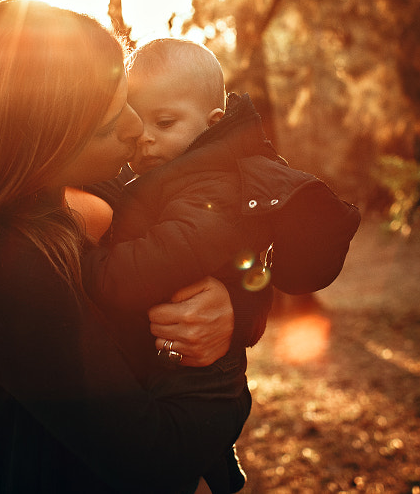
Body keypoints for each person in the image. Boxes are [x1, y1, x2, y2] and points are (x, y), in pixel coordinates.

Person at [0, 0, 268, 493]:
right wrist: (225, 366)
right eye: (107, 126)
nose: (135, 128)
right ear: (41, 146)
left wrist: (235, 309)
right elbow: (152, 462)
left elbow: (227, 247)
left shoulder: (108, 188)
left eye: (125, 98)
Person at [71, 39, 362, 492]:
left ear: (212, 123)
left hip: (200, 379)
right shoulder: (166, 177)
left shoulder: (214, 187)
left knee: (171, 466)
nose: (143, 136)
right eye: (135, 120)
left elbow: (160, 259)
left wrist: (91, 267)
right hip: (179, 372)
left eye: (164, 122)